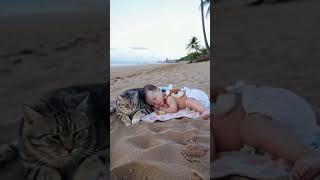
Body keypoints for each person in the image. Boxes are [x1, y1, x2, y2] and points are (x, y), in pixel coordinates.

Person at [213, 86, 320, 180]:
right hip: (279, 125)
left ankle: (304, 155)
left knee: (251, 126)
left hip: (271, 110)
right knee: (252, 128)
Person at [141, 84, 210, 120]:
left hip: (193, 95)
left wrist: (162, 109)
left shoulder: (168, 97)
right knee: (188, 102)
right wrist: (159, 109)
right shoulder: (163, 100)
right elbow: (166, 108)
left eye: (155, 98)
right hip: (193, 98)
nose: (156, 102)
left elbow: (173, 110)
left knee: (188, 101)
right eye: (153, 103)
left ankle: (204, 110)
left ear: (159, 90)